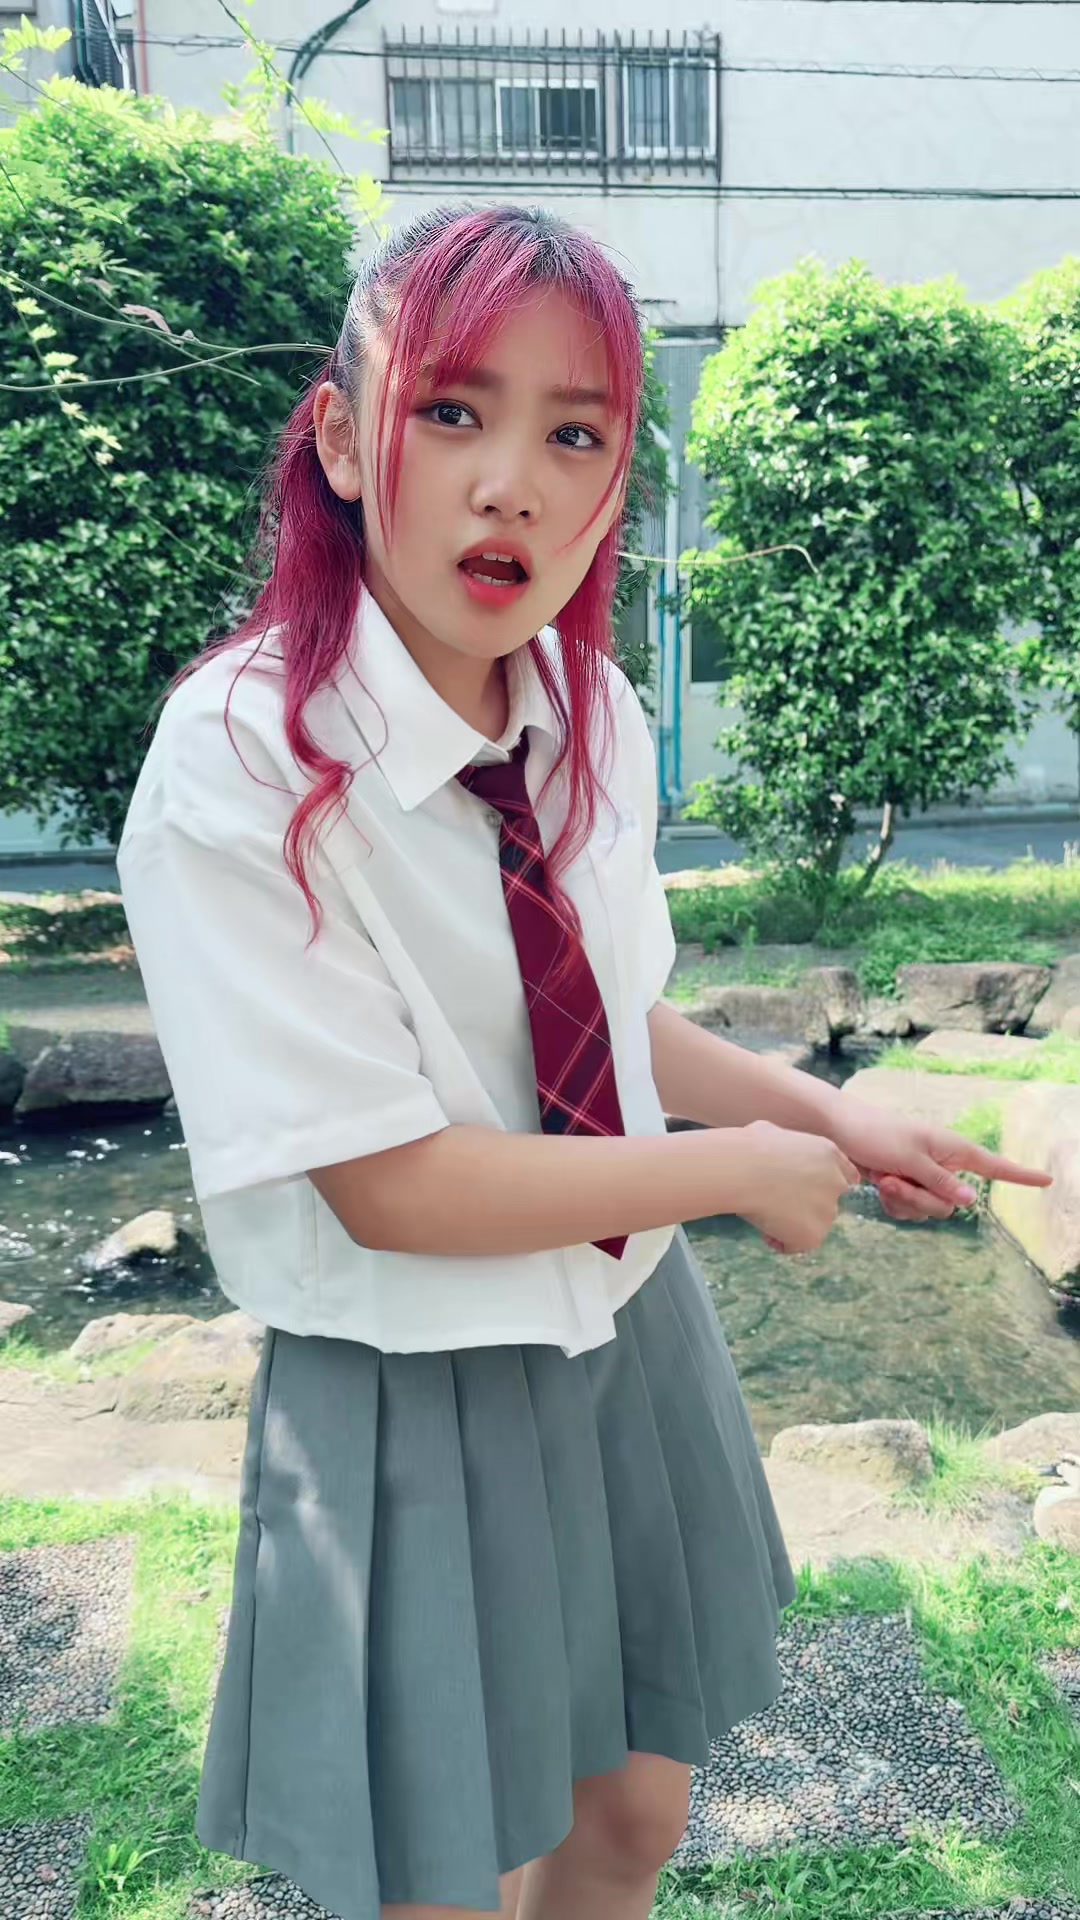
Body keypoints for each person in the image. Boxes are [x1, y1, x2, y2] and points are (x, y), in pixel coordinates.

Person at [117, 204, 1051, 1920]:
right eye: (452, 411)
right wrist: (740, 1175)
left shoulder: (586, 708)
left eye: (576, 435)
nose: (512, 488)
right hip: (410, 1379)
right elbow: (388, 1184)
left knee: (631, 1818)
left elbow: (608, 1022)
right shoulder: (240, 761)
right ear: (342, 439)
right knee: (440, 1879)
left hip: (626, 1324)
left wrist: (833, 1113)